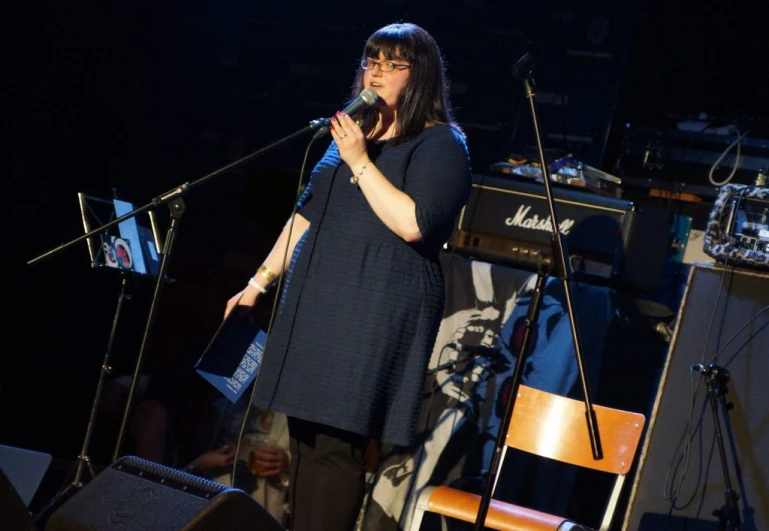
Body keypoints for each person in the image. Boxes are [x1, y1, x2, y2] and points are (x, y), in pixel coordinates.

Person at [223, 22, 472, 531]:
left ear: (418, 74)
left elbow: (414, 223)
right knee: (306, 439)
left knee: (337, 446)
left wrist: (360, 160)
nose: (376, 72)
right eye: (371, 60)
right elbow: (304, 216)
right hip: (317, 306)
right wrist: (257, 283)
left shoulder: (440, 145)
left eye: (391, 64)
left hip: (371, 311)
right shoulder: (347, 138)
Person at [183, 396, 291, 527]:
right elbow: (194, 457)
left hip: (264, 511)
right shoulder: (224, 403)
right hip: (216, 508)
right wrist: (203, 462)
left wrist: (287, 462)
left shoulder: (289, 411)